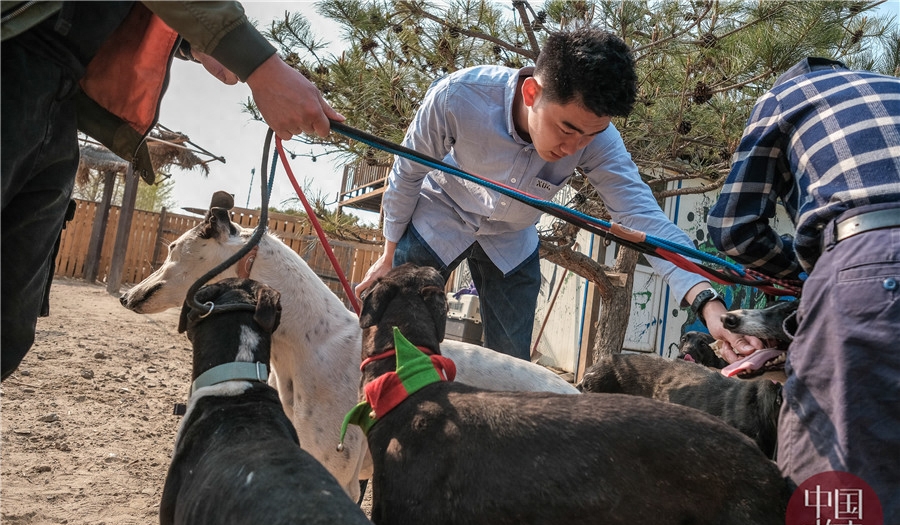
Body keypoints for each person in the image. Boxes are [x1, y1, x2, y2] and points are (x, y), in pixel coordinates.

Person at [355, 27, 750, 361]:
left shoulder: (596, 137)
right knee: (395, 342)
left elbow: (641, 215)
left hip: (512, 237)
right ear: (531, 93)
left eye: (589, 135)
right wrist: (389, 252)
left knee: (510, 363)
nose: (575, 147)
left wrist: (708, 304)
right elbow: (407, 172)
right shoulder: (459, 97)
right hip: (442, 211)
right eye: (566, 129)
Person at [1, 1, 344, 380]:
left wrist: (188, 41)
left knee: (10, 324)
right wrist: (261, 66)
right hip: (14, 56)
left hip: (61, 95)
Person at [708, 57, 900, 525]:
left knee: (833, 517)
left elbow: (732, 227)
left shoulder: (785, 96)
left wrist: (810, 275)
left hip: (871, 263)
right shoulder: (891, 90)